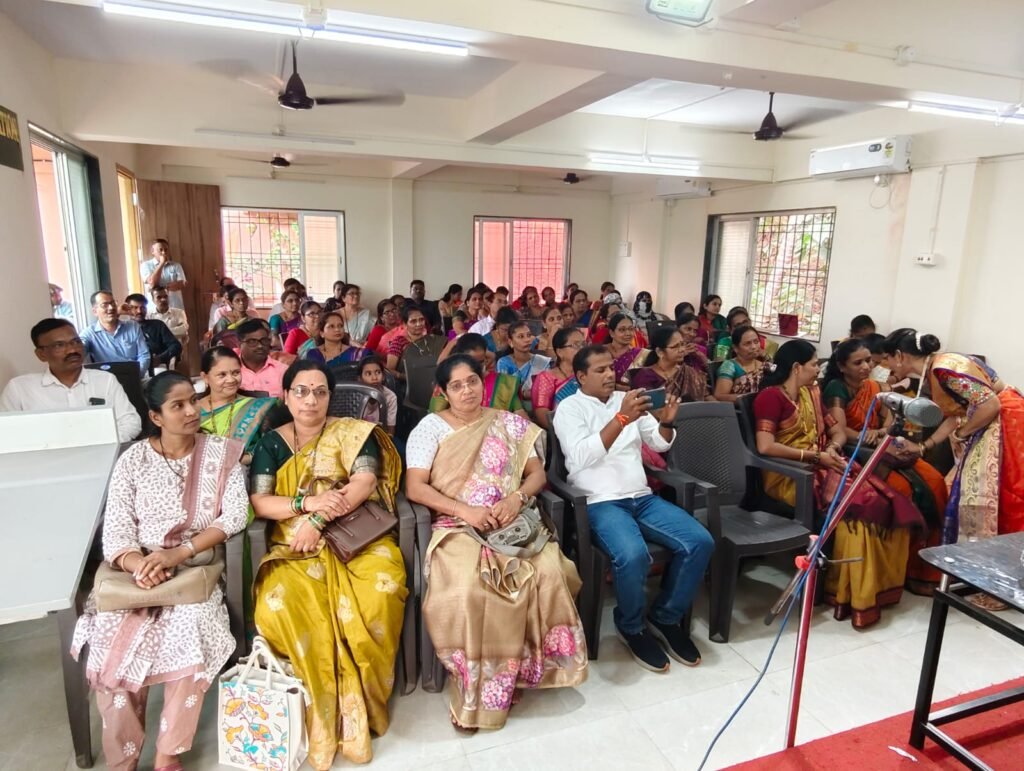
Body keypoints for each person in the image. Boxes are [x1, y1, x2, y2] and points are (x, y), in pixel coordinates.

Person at [70, 371, 248, 771]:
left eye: (193, 401)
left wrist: (177, 554)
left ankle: (169, 754)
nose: (191, 411)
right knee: (111, 643)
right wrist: (142, 565)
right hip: (134, 574)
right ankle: (124, 758)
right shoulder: (132, 461)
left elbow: (235, 514)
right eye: (178, 405)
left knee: (191, 633)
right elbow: (116, 530)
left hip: (193, 571)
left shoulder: (222, 454)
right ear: (155, 417)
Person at [405, 354, 588, 731]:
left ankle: (521, 672)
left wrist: (516, 500)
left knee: (550, 573)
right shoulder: (430, 428)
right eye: (456, 386)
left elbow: (536, 475)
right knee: (469, 589)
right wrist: (466, 511)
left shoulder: (509, 423)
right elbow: (415, 487)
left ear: (483, 381)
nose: (466, 391)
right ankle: (478, 686)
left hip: (512, 523)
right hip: (457, 525)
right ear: (443, 392)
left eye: (472, 381)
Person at [249, 360, 405, 768]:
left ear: (330, 397)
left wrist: (318, 518)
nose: (311, 400)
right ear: (285, 396)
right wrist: (306, 504)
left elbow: (364, 483)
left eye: (320, 392)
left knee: (382, 591)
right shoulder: (271, 444)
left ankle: (367, 705)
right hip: (294, 546)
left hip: (358, 538)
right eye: (301, 391)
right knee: (277, 606)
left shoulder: (354, 433)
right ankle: (317, 710)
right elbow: (261, 502)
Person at [554, 346, 713, 671]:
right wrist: (622, 418)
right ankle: (631, 626)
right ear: (581, 376)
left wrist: (667, 422)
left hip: (641, 497)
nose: (609, 374)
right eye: (599, 370)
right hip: (600, 502)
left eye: (611, 367)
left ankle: (665, 616)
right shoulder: (569, 408)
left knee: (700, 541)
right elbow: (581, 456)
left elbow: (658, 443)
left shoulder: (626, 400)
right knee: (633, 555)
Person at [754, 340, 924, 628]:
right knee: (855, 512)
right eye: (813, 364)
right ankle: (849, 594)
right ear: (796, 368)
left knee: (882, 501)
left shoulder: (811, 392)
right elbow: (765, 446)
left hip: (825, 462)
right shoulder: (770, 398)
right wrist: (815, 456)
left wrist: (832, 448)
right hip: (789, 475)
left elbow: (838, 430)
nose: (817, 369)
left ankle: (881, 588)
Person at [822, 338, 949, 595]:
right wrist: (866, 435)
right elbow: (840, 429)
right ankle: (902, 569)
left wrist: (879, 432)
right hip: (855, 453)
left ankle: (924, 571)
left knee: (935, 480)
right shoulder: (837, 388)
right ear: (842, 366)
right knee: (904, 489)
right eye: (858, 362)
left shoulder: (874, 386)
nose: (866, 366)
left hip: (882, 447)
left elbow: (889, 421)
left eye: (869, 360)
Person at [882, 329, 1024, 545]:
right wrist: (923, 446)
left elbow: (990, 405)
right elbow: (957, 414)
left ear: (900, 356)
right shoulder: (939, 366)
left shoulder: (944, 370)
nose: (886, 366)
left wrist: (962, 434)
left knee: (1007, 493)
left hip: (1006, 423)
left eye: (887, 359)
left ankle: (995, 552)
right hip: (996, 417)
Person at [1, 318, 141, 442]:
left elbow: (131, 422)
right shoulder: (20, 389)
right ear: (41, 354)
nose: (72, 350)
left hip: (101, 456)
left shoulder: (105, 380)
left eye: (76, 342)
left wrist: (102, 444)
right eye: (59, 345)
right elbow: (5, 433)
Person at [198, 346, 276, 458]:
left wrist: (246, 458)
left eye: (236, 373)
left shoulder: (257, 407)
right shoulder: (192, 410)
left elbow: (269, 448)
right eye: (222, 375)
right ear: (205, 377)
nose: (231, 380)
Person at [429, 333, 526, 417]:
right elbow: (436, 418)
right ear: (460, 359)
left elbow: (520, 415)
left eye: (480, 362)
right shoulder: (449, 383)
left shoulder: (504, 383)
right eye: (471, 362)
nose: (476, 367)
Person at [633, 324, 711, 403]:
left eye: (683, 344)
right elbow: (649, 406)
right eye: (676, 346)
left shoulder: (688, 371)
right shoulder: (646, 376)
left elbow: (706, 396)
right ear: (660, 352)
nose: (682, 349)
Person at [81, 290, 150, 376]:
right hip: (106, 380)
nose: (111, 307)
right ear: (95, 311)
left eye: (113, 303)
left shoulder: (133, 326)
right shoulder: (89, 334)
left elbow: (144, 355)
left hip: (134, 376)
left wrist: (136, 374)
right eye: (105, 305)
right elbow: (79, 348)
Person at [532, 326, 584, 430]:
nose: (582, 349)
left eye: (583, 344)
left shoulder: (589, 373)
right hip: (564, 432)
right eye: (576, 345)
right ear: (560, 352)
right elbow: (543, 415)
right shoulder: (546, 378)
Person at [496, 320, 551, 413]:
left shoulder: (542, 362)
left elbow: (547, 390)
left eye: (529, 335)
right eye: (521, 336)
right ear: (510, 342)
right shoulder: (504, 363)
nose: (527, 339)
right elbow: (505, 394)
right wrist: (524, 394)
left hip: (540, 408)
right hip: (513, 412)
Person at [124, 293, 182, 373]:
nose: (139, 311)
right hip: (130, 369)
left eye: (143, 307)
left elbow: (176, 346)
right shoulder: (123, 329)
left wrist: (160, 358)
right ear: (127, 309)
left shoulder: (157, 325)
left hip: (156, 367)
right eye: (135, 308)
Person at [385, 306, 444, 379]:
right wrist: (405, 377)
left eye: (421, 320)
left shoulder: (432, 340)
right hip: (406, 384)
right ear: (405, 324)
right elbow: (389, 370)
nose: (419, 324)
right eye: (413, 321)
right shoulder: (399, 342)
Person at [236, 319, 287, 398]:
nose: (260, 346)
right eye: (252, 341)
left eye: (264, 340)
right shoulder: (230, 371)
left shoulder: (283, 371)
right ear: (239, 344)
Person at [714, 326, 765, 402]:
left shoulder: (763, 365)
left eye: (756, 342)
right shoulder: (729, 366)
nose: (754, 347)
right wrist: (750, 398)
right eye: (747, 344)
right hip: (740, 408)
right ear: (736, 348)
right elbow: (719, 396)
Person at [300, 311, 368, 367]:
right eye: (331, 326)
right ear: (322, 333)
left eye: (340, 326)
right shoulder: (314, 354)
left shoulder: (356, 353)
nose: (337, 329)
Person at [140, 238, 188, 310]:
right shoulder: (145, 265)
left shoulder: (176, 265)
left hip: (175, 307)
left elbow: (182, 284)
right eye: (160, 250)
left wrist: (161, 287)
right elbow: (152, 283)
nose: (164, 252)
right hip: (155, 309)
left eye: (166, 250)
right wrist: (162, 263)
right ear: (153, 251)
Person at [358, 356, 398, 435]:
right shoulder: (354, 395)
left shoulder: (390, 397)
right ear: (360, 379)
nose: (374, 378)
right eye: (368, 374)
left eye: (378, 372)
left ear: (383, 376)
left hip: (381, 435)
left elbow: (390, 431)